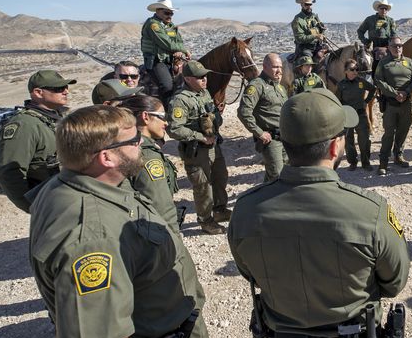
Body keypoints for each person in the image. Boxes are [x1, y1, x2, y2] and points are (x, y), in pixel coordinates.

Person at [28, 105, 232, 338]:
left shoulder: (78, 184)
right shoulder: (92, 236)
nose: (141, 143)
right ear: (106, 157)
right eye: (134, 140)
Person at [228, 88, 410, 338]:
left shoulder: (246, 210)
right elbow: (394, 282)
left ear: (284, 144)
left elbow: (249, 272)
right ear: (335, 147)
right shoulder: (369, 212)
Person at [0, 70, 74, 212]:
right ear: (38, 93)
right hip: (50, 204)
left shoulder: (55, 118)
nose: (66, 91)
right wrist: (32, 206)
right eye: (58, 89)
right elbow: (8, 172)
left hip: (65, 198)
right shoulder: (24, 125)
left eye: (66, 87)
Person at [168, 61, 231, 235]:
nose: (204, 79)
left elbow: (214, 117)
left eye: (205, 76)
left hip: (213, 146)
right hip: (196, 150)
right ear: (188, 79)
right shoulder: (180, 100)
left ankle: (220, 210)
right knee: (203, 185)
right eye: (200, 77)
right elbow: (174, 128)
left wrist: (215, 118)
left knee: (220, 177)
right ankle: (206, 220)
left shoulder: (204, 93)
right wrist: (200, 137)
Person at [118, 94, 183, 230]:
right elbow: (161, 206)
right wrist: (174, 240)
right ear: (146, 117)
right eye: (162, 116)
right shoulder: (147, 155)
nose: (166, 122)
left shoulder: (127, 145)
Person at [238, 53, 289, 182]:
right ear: (264, 67)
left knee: (284, 173)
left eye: (280, 67)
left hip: (285, 137)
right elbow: (244, 112)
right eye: (275, 67)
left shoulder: (279, 87)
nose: (279, 70)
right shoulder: (256, 86)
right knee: (276, 176)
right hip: (270, 141)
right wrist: (259, 133)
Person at [374, 36, 412, 175]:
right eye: (394, 46)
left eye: (399, 45)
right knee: (388, 134)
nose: (397, 48)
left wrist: (405, 92)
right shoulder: (383, 62)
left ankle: (398, 155)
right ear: (389, 48)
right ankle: (383, 162)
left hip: (406, 103)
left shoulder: (409, 62)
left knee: (403, 131)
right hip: (391, 104)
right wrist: (395, 93)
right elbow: (378, 80)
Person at [140, 0, 189, 105]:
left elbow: (179, 41)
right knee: (167, 86)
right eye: (167, 13)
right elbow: (166, 43)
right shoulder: (153, 25)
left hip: (170, 60)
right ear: (157, 11)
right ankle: (167, 112)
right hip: (156, 61)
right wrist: (183, 50)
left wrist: (179, 51)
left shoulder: (170, 26)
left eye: (171, 14)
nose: (170, 16)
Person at [335, 59, 376, 170]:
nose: (355, 72)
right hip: (347, 117)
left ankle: (366, 163)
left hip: (361, 115)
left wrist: (366, 101)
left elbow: (373, 89)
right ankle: (353, 162)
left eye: (356, 69)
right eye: (352, 69)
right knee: (349, 142)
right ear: (346, 71)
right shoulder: (341, 85)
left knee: (364, 141)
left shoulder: (361, 82)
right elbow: (337, 101)